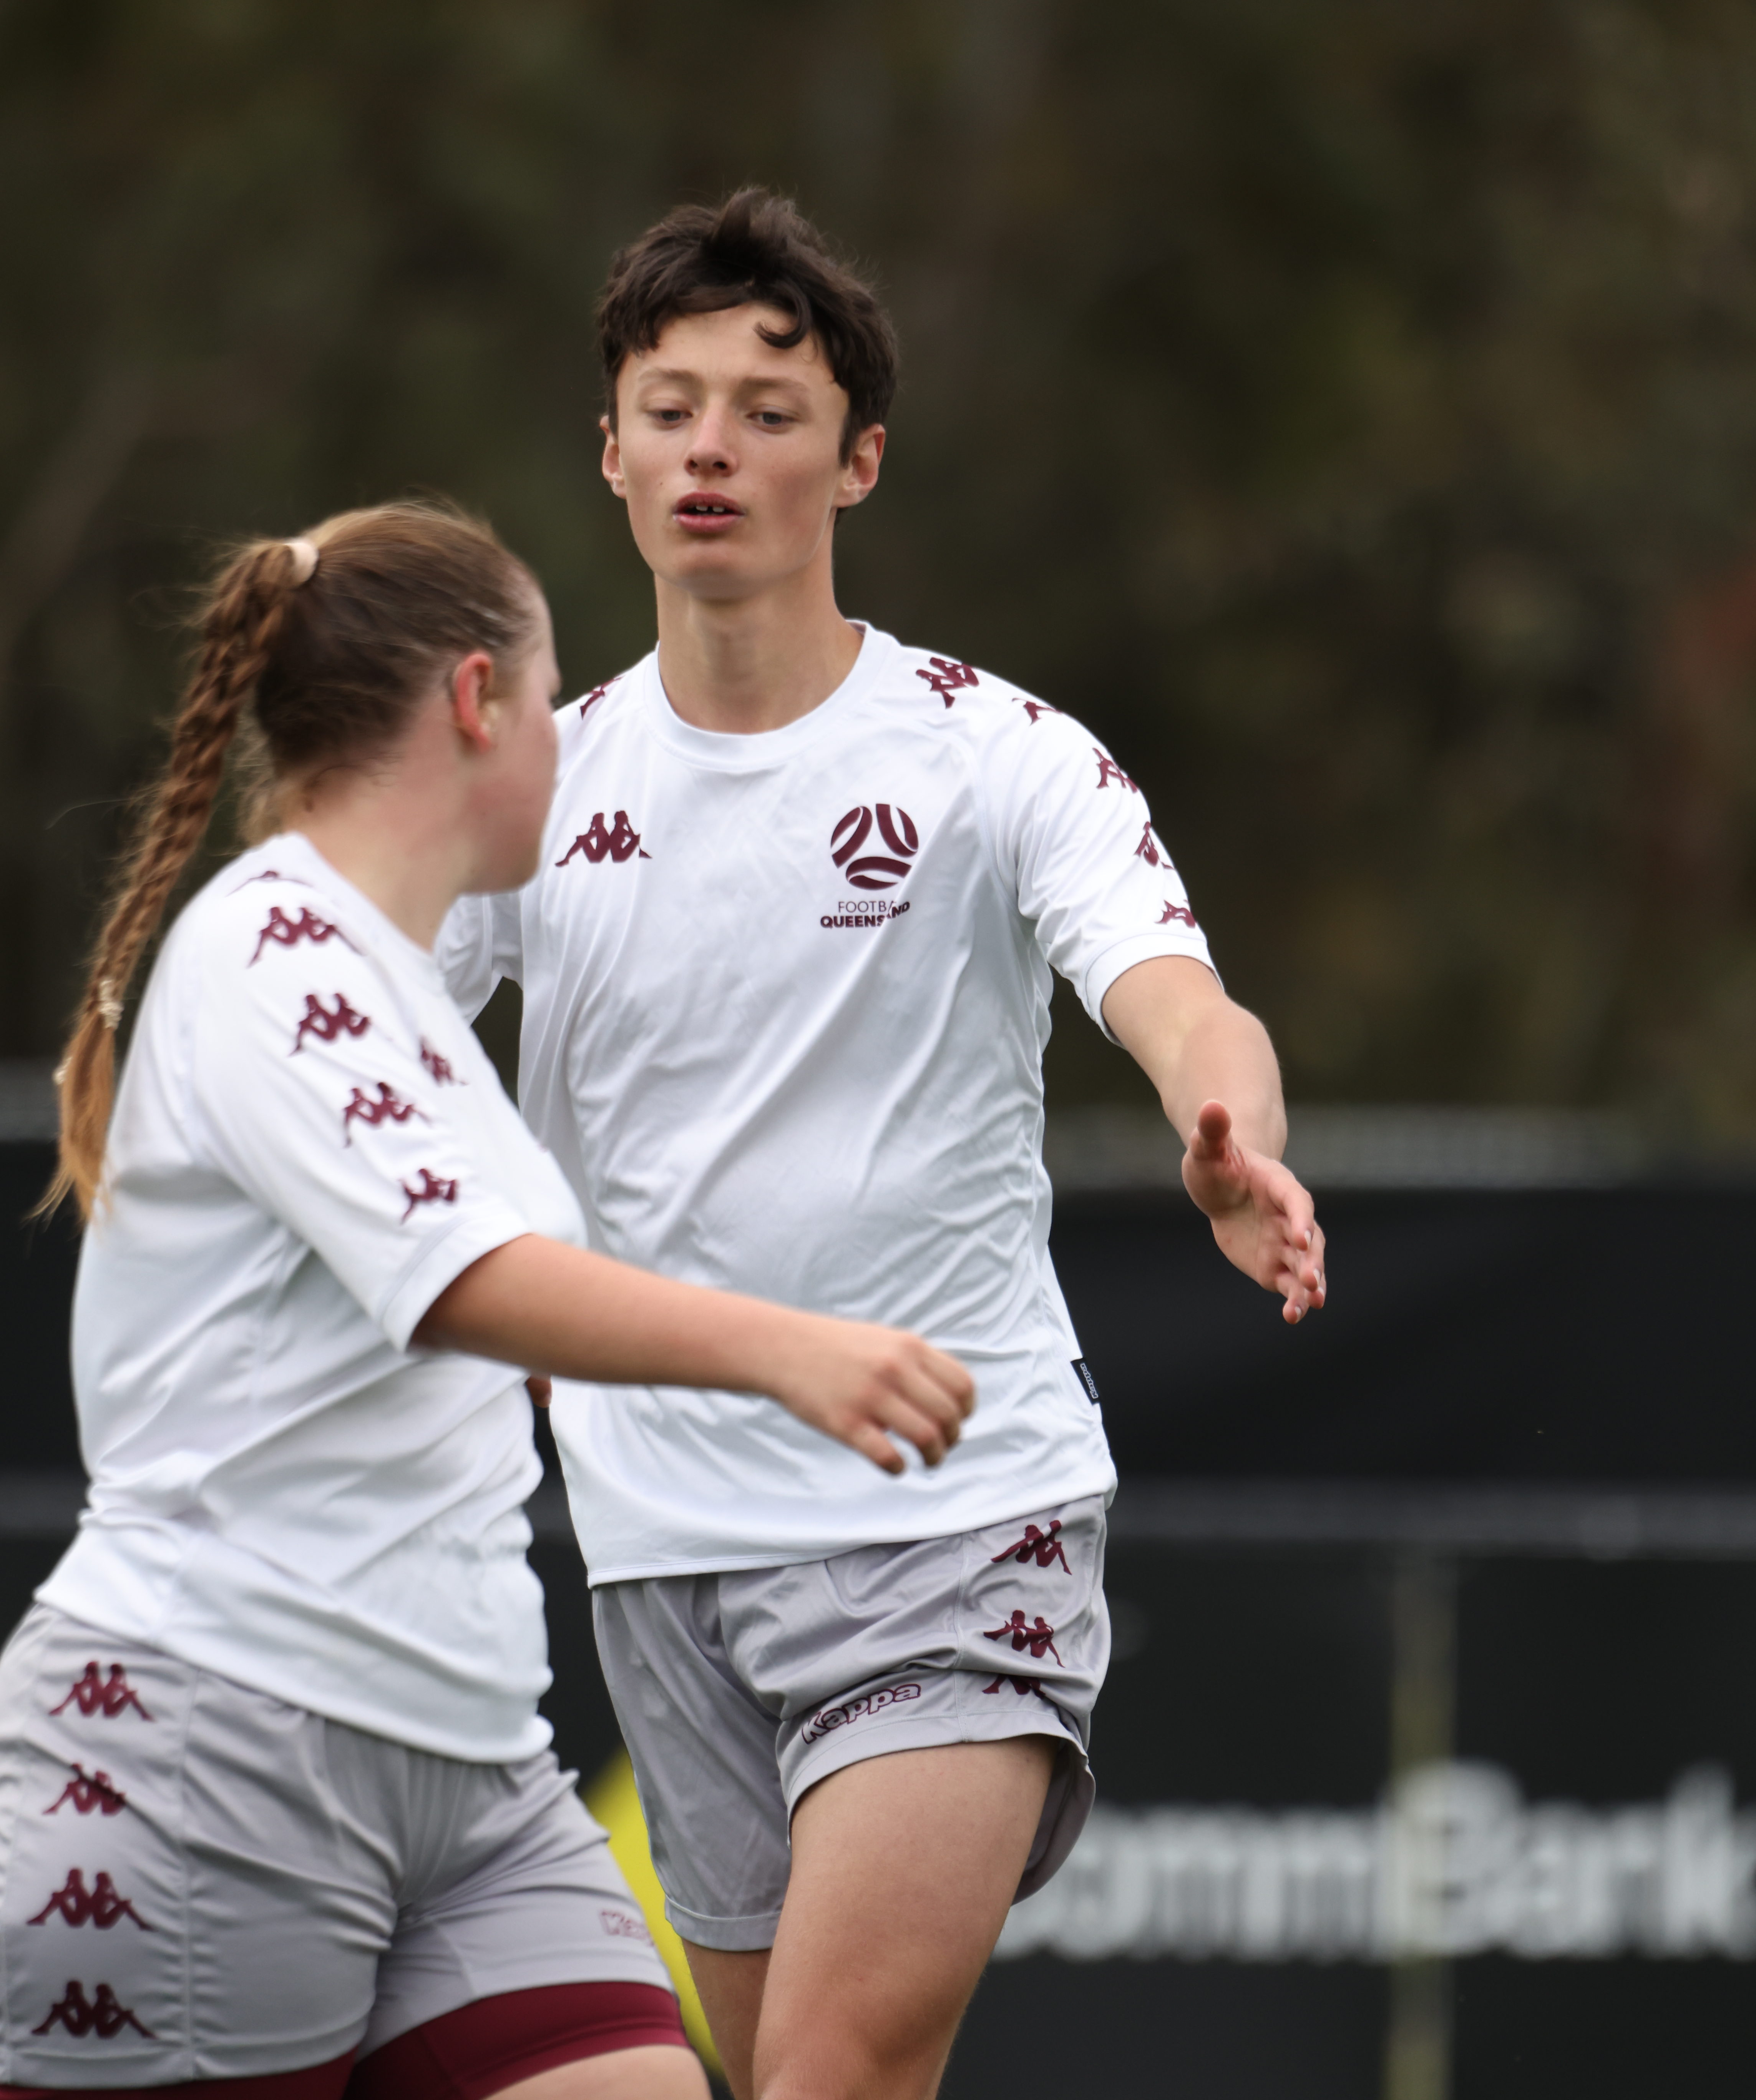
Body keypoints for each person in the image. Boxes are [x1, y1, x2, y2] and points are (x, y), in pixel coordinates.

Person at [436, 194, 1330, 2100]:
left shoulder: (996, 756)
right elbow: (366, 1049)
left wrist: (1222, 1129)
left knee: (831, 2067)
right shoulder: (533, 786)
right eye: (669, 409)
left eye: (766, 412)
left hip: (954, 1511)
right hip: (659, 1541)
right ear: (609, 453)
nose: (710, 448)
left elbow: (1184, 1000)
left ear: (854, 462)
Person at [0, 499, 978, 2100]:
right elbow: (466, 1286)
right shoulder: (270, 952)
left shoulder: (396, 974)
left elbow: (451, 1315)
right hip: (208, 1744)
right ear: (475, 701)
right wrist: (787, 1352)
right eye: (553, 694)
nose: (570, 743)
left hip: (471, 1772)